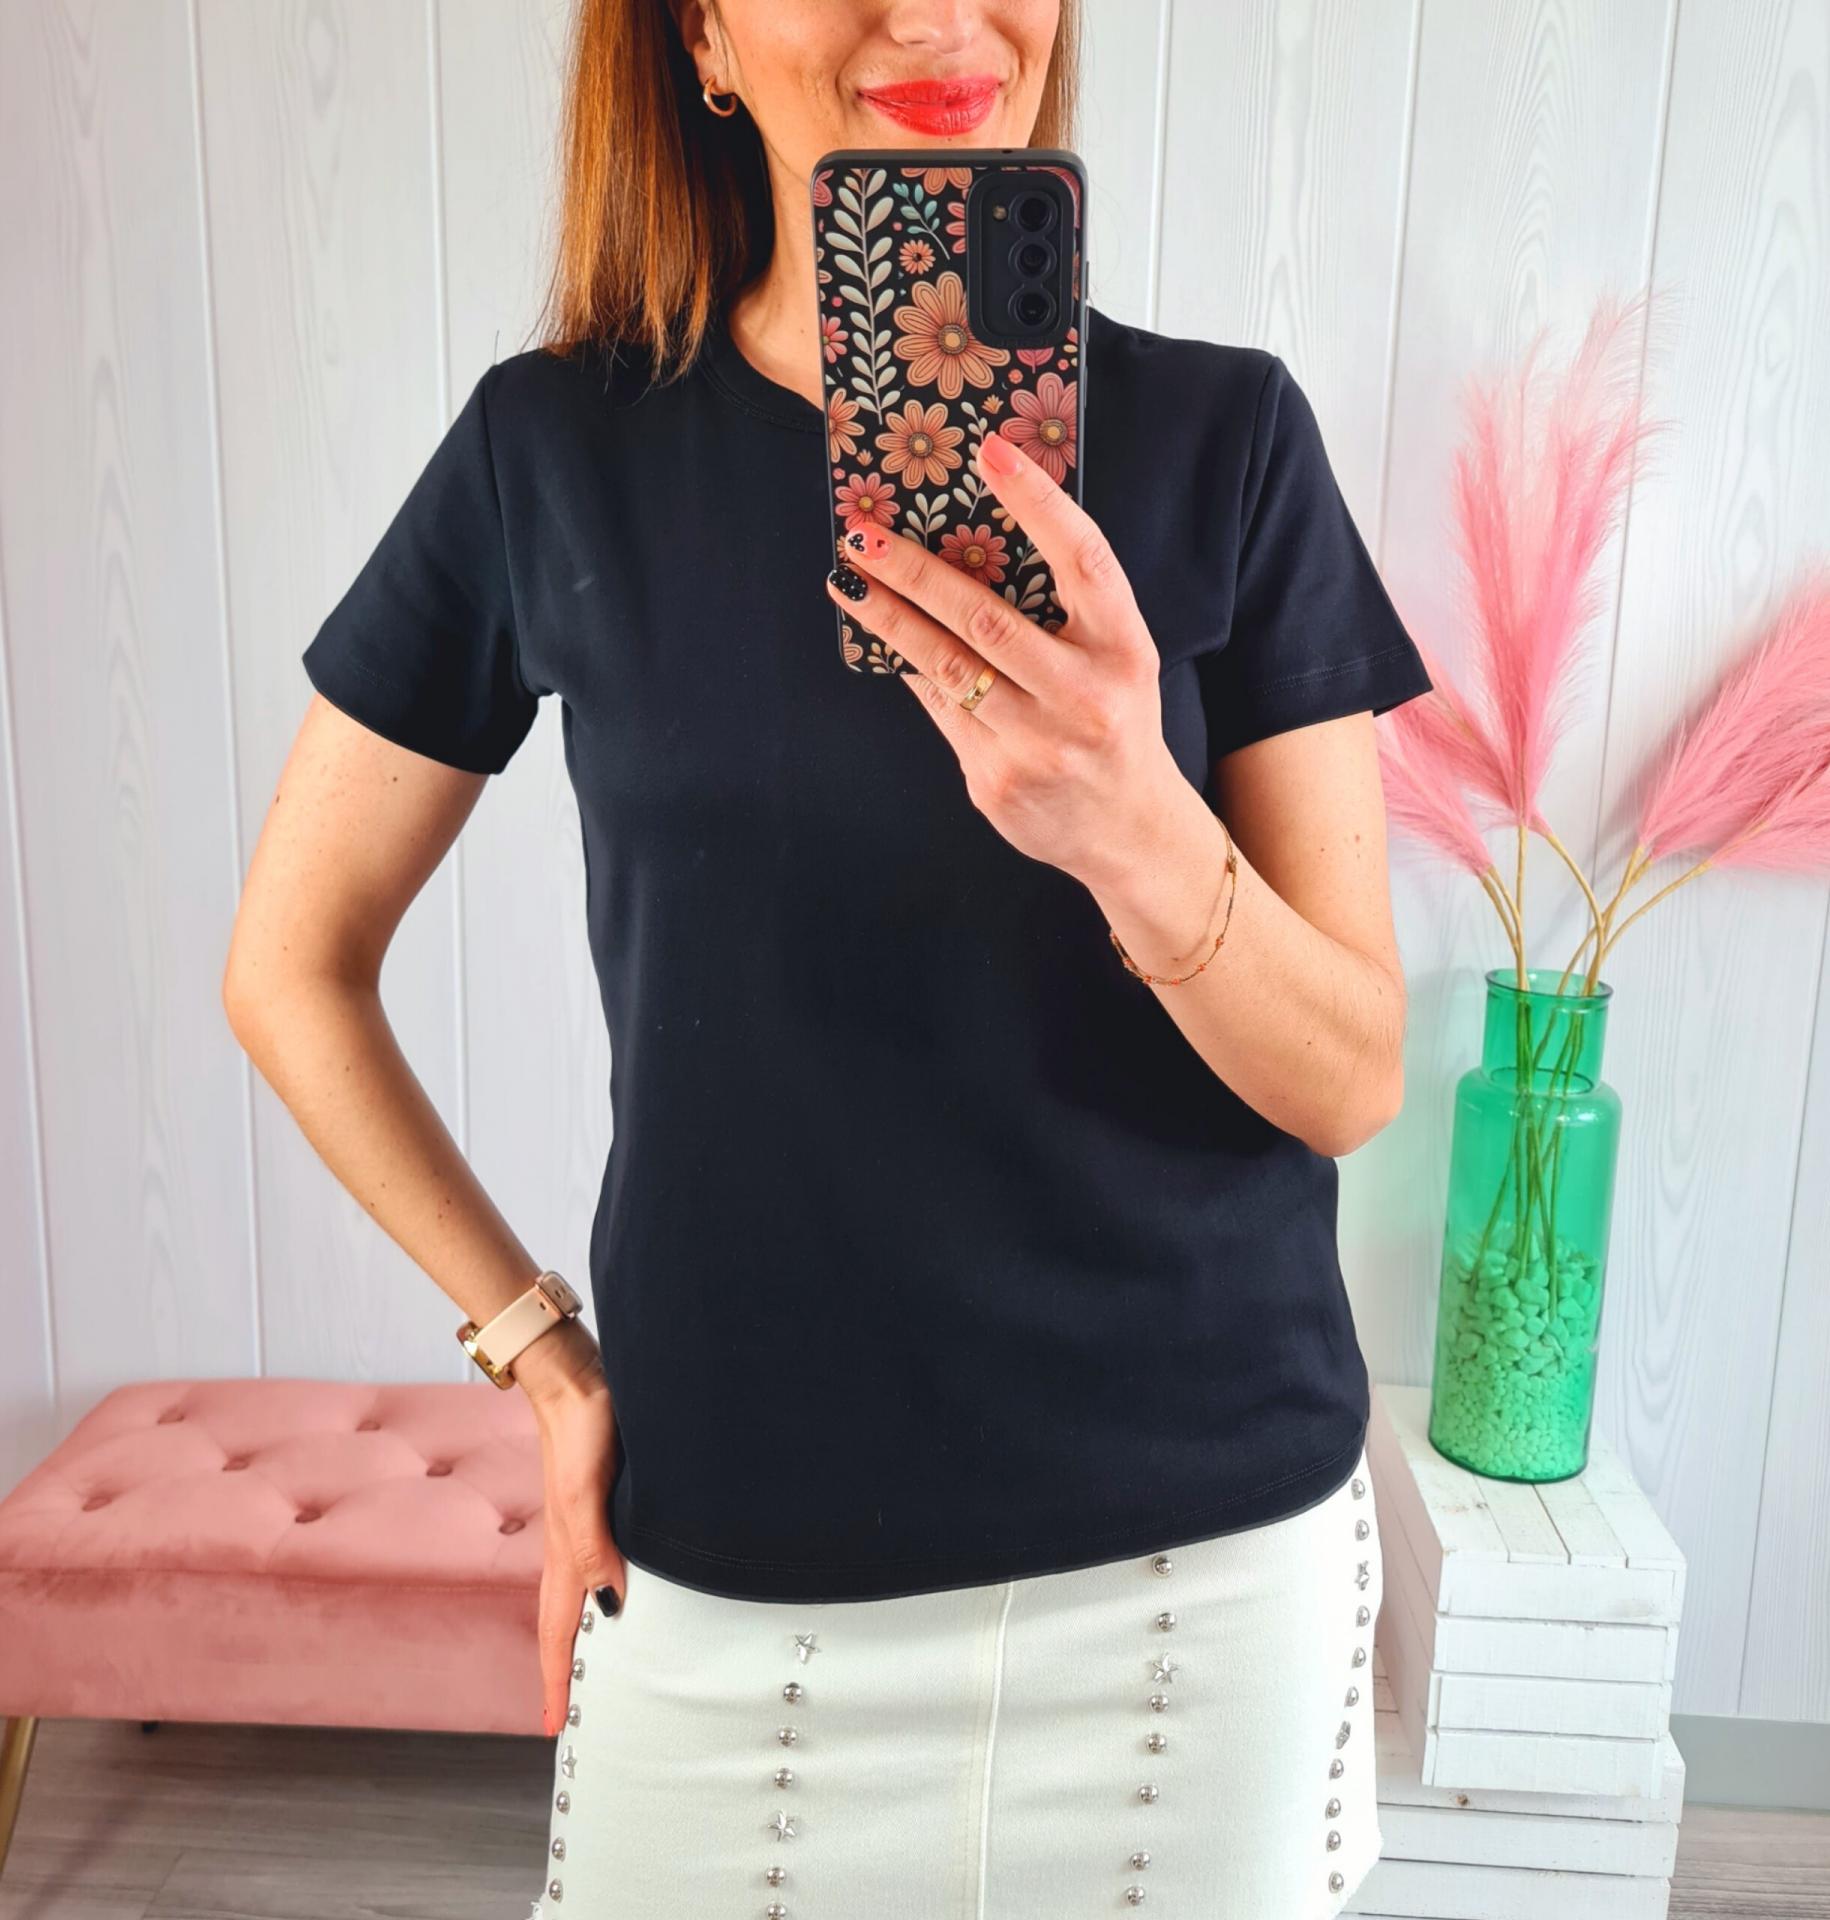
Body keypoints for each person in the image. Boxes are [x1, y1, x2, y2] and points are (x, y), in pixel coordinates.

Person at [221, 1, 1431, 1912]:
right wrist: (541, 1359)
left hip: (1198, 1590)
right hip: (732, 1579)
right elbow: (290, 964)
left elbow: (1350, 1078)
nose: (936, 14)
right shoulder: (557, 451)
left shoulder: (1230, 439)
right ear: (700, 36)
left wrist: (1133, 824)